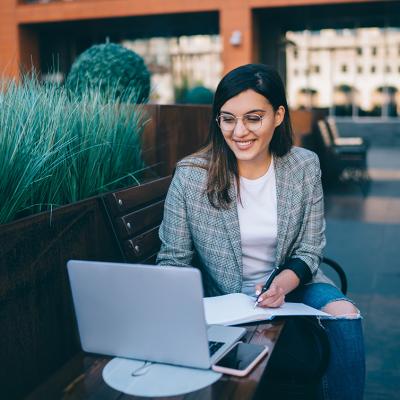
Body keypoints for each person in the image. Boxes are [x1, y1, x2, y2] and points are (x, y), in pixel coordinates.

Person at [157, 63, 365, 399]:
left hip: (294, 287)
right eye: (228, 118)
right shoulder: (191, 176)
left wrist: (281, 283)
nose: (239, 131)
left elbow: (310, 249)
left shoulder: (303, 166)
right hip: (226, 298)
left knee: (346, 316)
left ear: (278, 115)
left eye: (254, 118)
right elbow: (173, 260)